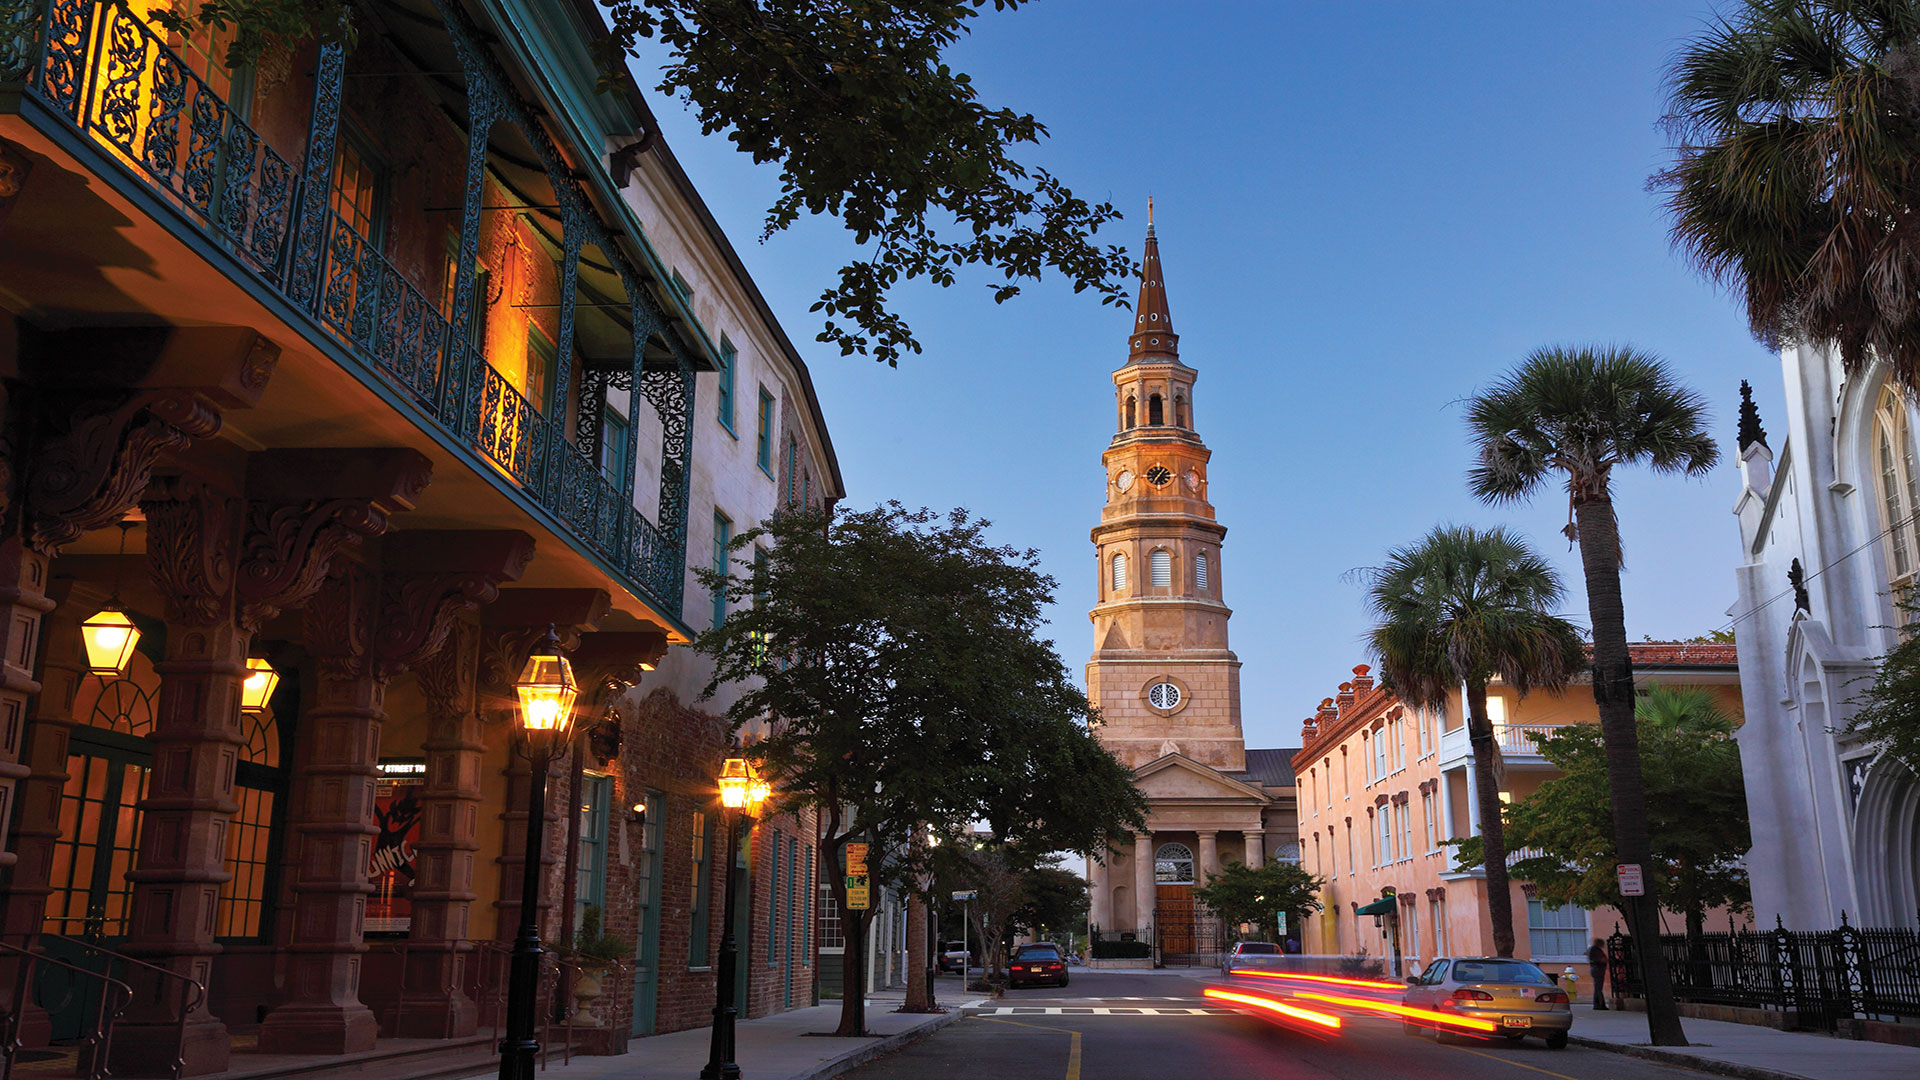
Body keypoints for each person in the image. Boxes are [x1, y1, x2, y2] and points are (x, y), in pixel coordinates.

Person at [1586, 938, 1609, 1009]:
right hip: (1598, 969)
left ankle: (1598, 1004)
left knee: (1597, 988)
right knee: (1598, 988)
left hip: (1596, 969)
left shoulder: (1592, 949)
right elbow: (1599, 959)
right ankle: (1599, 1004)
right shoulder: (1595, 950)